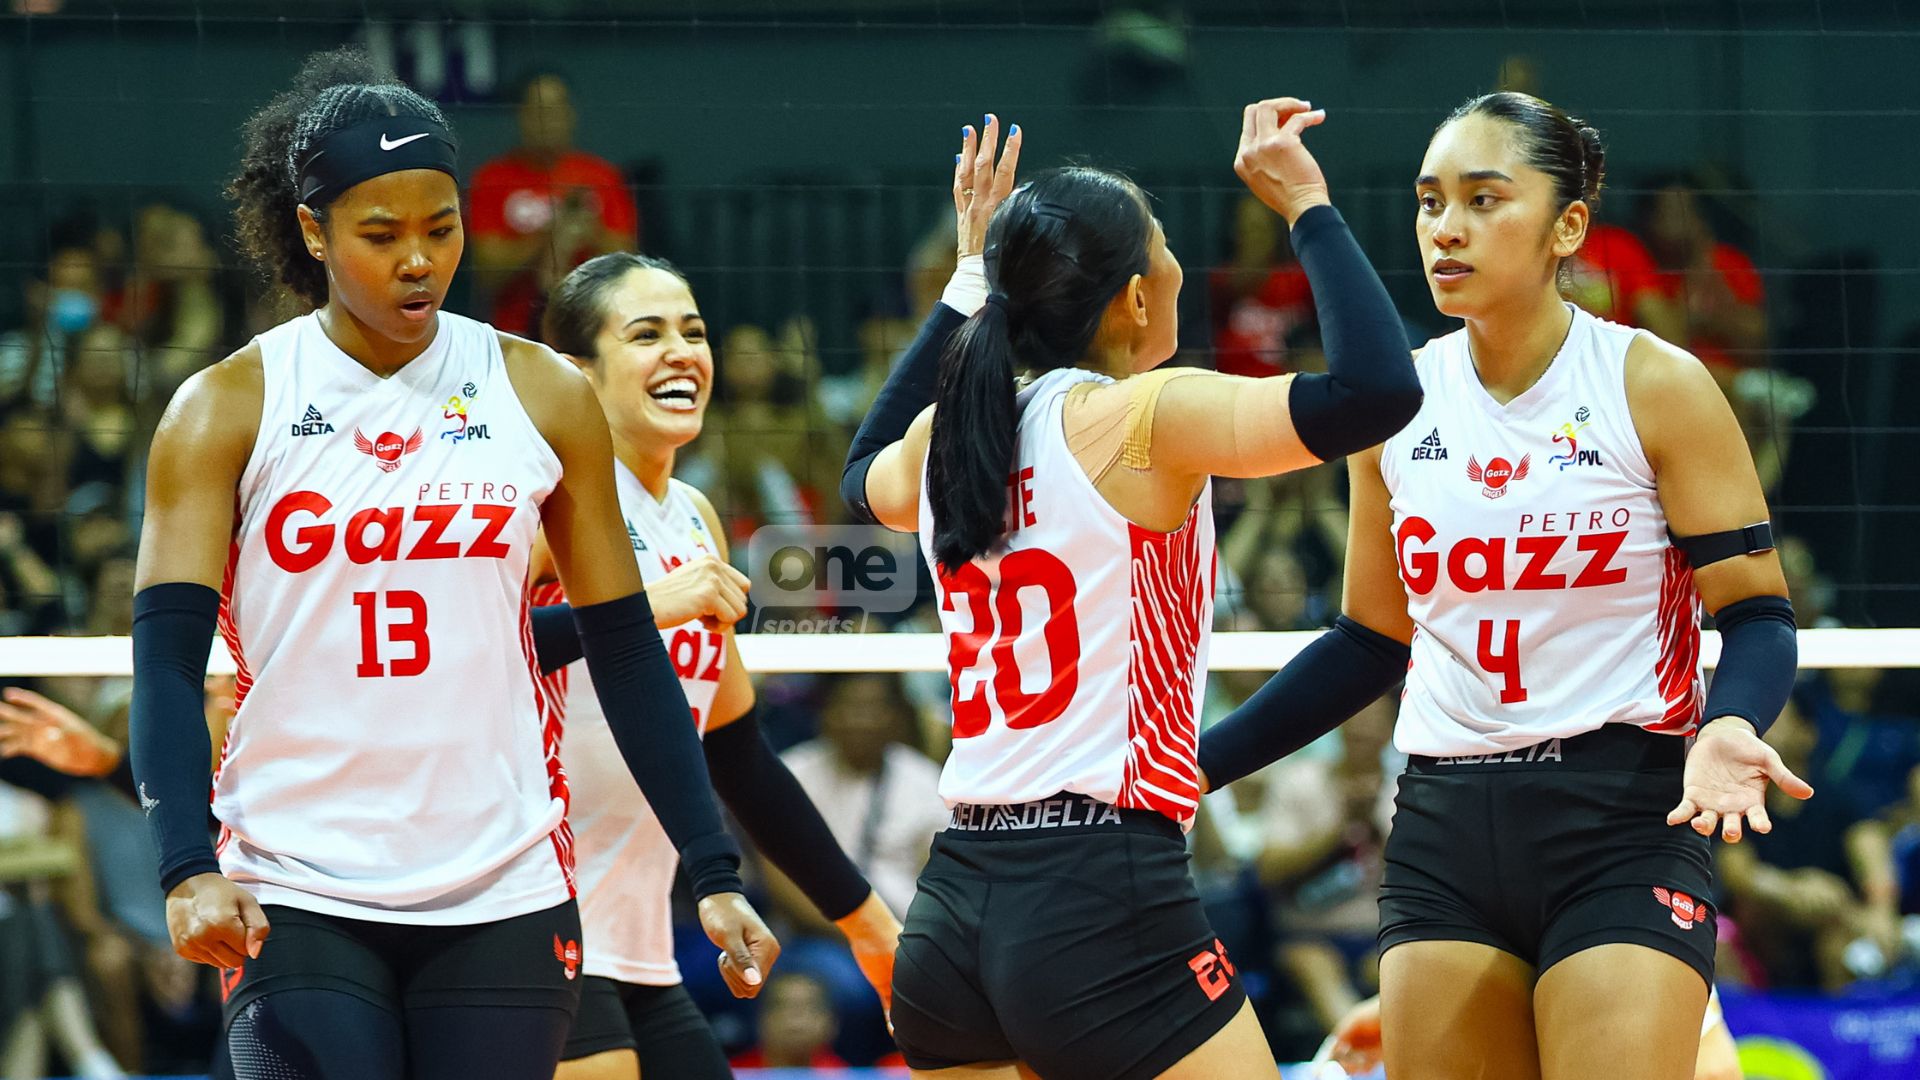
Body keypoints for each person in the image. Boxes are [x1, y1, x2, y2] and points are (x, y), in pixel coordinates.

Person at [126, 48, 773, 1080]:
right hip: (295, 880)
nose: (419, 261)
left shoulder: (543, 393)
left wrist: (714, 869)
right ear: (313, 232)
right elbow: (164, 664)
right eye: (381, 236)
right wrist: (184, 867)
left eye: (442, 227)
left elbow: (625, 648)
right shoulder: (225, 407)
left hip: (503, 882)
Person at [1198, 92, 1808, 1080]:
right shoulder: (1397, 403)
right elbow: (1368, 642)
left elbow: (1759, 613)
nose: (1447, 227)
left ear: (1568, 226)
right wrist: (1190, 766)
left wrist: (1732, 723)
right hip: (1444, 824)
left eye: (1484, 200)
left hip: (1621, 819)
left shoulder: (1654, 384)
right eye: (1430, 202)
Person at [844, 103, 1421, 1079]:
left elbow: (860, 476)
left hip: (955, 908)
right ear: (1137, 300)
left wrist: (967, 278)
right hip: (1097, 891)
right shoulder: (1144, 416)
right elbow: (1379, 391)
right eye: (1166, 248)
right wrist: (1308, 206)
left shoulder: (948, 436)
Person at [525, 249, 904, 1080]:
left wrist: (870, 926)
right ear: (578, 372)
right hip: (529, 926)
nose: (681, 352)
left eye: (693, 332)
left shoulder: (692, 516)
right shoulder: (540, 498)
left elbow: (737, 755)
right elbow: (471, 649)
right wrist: (646, 607)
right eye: (647, 334)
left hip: (637, 945)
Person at [467, 72, 638, 338]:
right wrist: (550, 235)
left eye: (555, 108)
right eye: (537, 110)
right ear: (520, 115)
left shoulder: (601, 176)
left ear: (571, 113)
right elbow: (487, 273)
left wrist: (588, 233)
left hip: (591, 327)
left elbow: (627, 266)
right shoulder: (492, 179)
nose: (547, 120)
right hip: (515, 330)